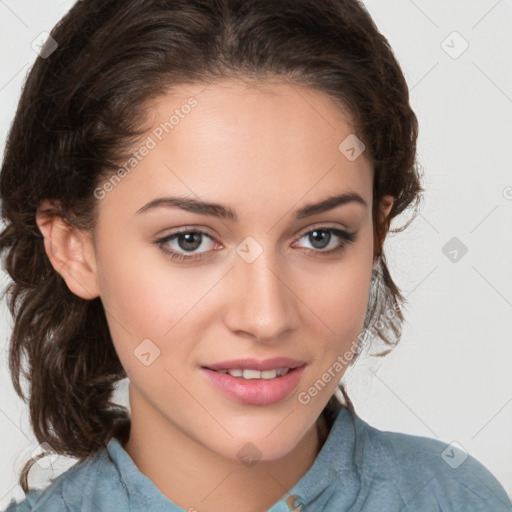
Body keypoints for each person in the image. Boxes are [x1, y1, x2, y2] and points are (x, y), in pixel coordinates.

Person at [1, 0, 510, 511]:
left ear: (377, 231)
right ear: (73, 248)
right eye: (189, 240)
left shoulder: (459, 499)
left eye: (320, 237)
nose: (266, 318)